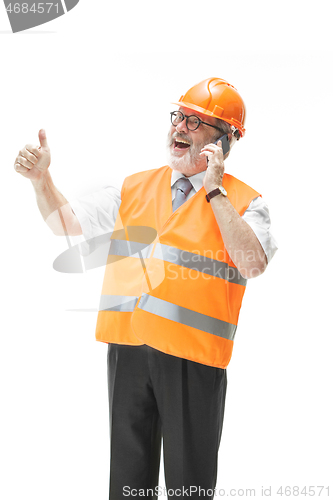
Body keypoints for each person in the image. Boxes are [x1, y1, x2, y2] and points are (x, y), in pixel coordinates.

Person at [14, 77, 277, 499]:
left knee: (189, 485)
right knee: (127, 483)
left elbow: (252, 263)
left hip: (193, 358)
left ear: (224, 141)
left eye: (196, 122)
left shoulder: (245, 201)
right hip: (128, 351)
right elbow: (64, 224)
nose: (180, 128)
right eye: (178, 117)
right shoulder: (134, 187)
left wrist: (215, 191)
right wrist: (41, 181)